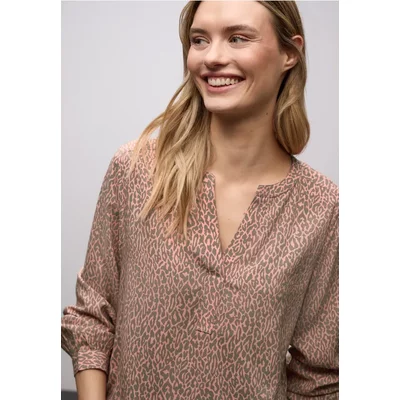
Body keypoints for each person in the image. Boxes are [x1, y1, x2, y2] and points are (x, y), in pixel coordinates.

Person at [61, 1, 339, 399]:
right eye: (199, 40)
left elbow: (319, 377)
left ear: (289, 54)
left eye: (238, 38)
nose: (212, 57)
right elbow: (92, 318)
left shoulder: (322, 207)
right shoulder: (137, 170)